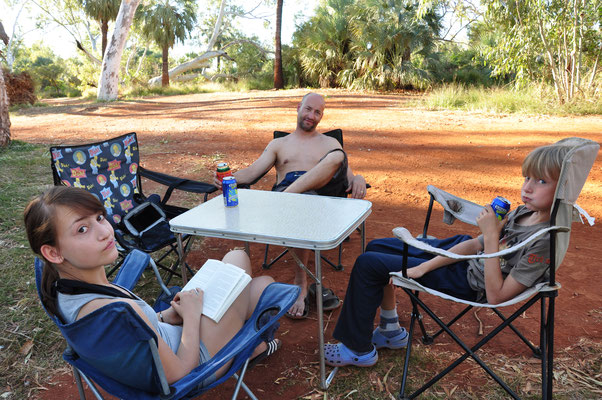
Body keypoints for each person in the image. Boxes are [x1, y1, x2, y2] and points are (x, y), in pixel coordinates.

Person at [323, 142, 568, 367]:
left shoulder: (544, 241)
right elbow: (474, 245)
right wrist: (428, 265)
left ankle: (358, 350)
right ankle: (390, 330)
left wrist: (492, 237)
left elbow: (496, 296)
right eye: (527, 177)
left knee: (368, 264)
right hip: (467, 259)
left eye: (541, 181)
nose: (527, 187)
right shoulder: (524, 212)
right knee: (377, 247)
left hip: (470, 281)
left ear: (563, 189)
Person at [25, 186, 278, 387]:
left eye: (100, 217)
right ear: (54, 252)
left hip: (164, 343)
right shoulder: (114, 308)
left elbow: (134, 334)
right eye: (82, 229)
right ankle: (250, 347)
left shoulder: (66, 292)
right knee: (246, 267)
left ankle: (252, 345)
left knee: (254, 285)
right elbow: (179, 374)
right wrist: (190, 317)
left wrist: (165, 315)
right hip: (198, 362)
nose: (104, 231)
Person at [213, 92, 367, 319]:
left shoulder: (330, 143)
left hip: (318, 198)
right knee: (300, 207)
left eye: (318, 112)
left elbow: (348, 175)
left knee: (336, 157)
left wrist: (359, 178)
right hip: (289, 206)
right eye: (308, 109)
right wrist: (229, 178)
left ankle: (287, 197)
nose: (311, 116)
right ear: (298, 107)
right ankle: (301, 284)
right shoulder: (279, 144)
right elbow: (253, 172)